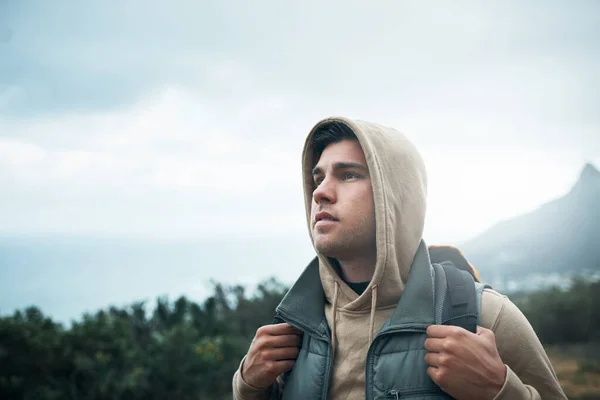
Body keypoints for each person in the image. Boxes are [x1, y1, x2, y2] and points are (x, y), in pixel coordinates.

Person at [232, 117, 567, 399]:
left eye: (348, 175)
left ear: (396, 196)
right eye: (318, 178)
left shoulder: (486, 317)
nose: (320, 191)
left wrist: (498, 389)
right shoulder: (291, 328)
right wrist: (247, 386)